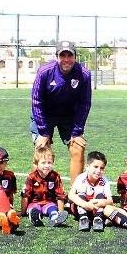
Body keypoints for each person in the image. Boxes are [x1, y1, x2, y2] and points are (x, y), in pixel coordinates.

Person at [30, 39, 92, 182]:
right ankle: (36, 192)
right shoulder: (44, 72)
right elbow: (36, 102)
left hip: (69, 116)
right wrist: (44, 132)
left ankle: (75, 195)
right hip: (45, 115)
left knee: (78, 148)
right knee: (41, 149)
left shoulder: (84, 74)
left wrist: (77, 132)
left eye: (69, 56)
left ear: (75, 56)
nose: (66, 60)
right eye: (62, 56)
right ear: (57, 57)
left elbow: (85, 104)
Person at [21, 145, 68, 227]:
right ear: (36, 164)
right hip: (34, 203)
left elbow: (60, 195)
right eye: (43, 163)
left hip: (49, 203)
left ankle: (55, 218)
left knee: (53, 209)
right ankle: (35, 218)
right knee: (34, 209)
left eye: (49, 163)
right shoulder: (31, 177)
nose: (47, 166)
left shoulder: (55, 176)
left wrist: (61, 212)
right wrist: (22, 212)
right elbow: (25, 195)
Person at [68, 151, 114, 232]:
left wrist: (99, 202)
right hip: (81, 208)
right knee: (81, 192)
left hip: (96, 208)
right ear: (87, 167)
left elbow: (110, 201)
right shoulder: (81, 177)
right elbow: (71, 195)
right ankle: (83, 219)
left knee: (100, 194)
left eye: (102, 168)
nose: (98, 171)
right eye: (95, 167)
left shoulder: (104, 180)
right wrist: (85, 204)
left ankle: (98, 219)